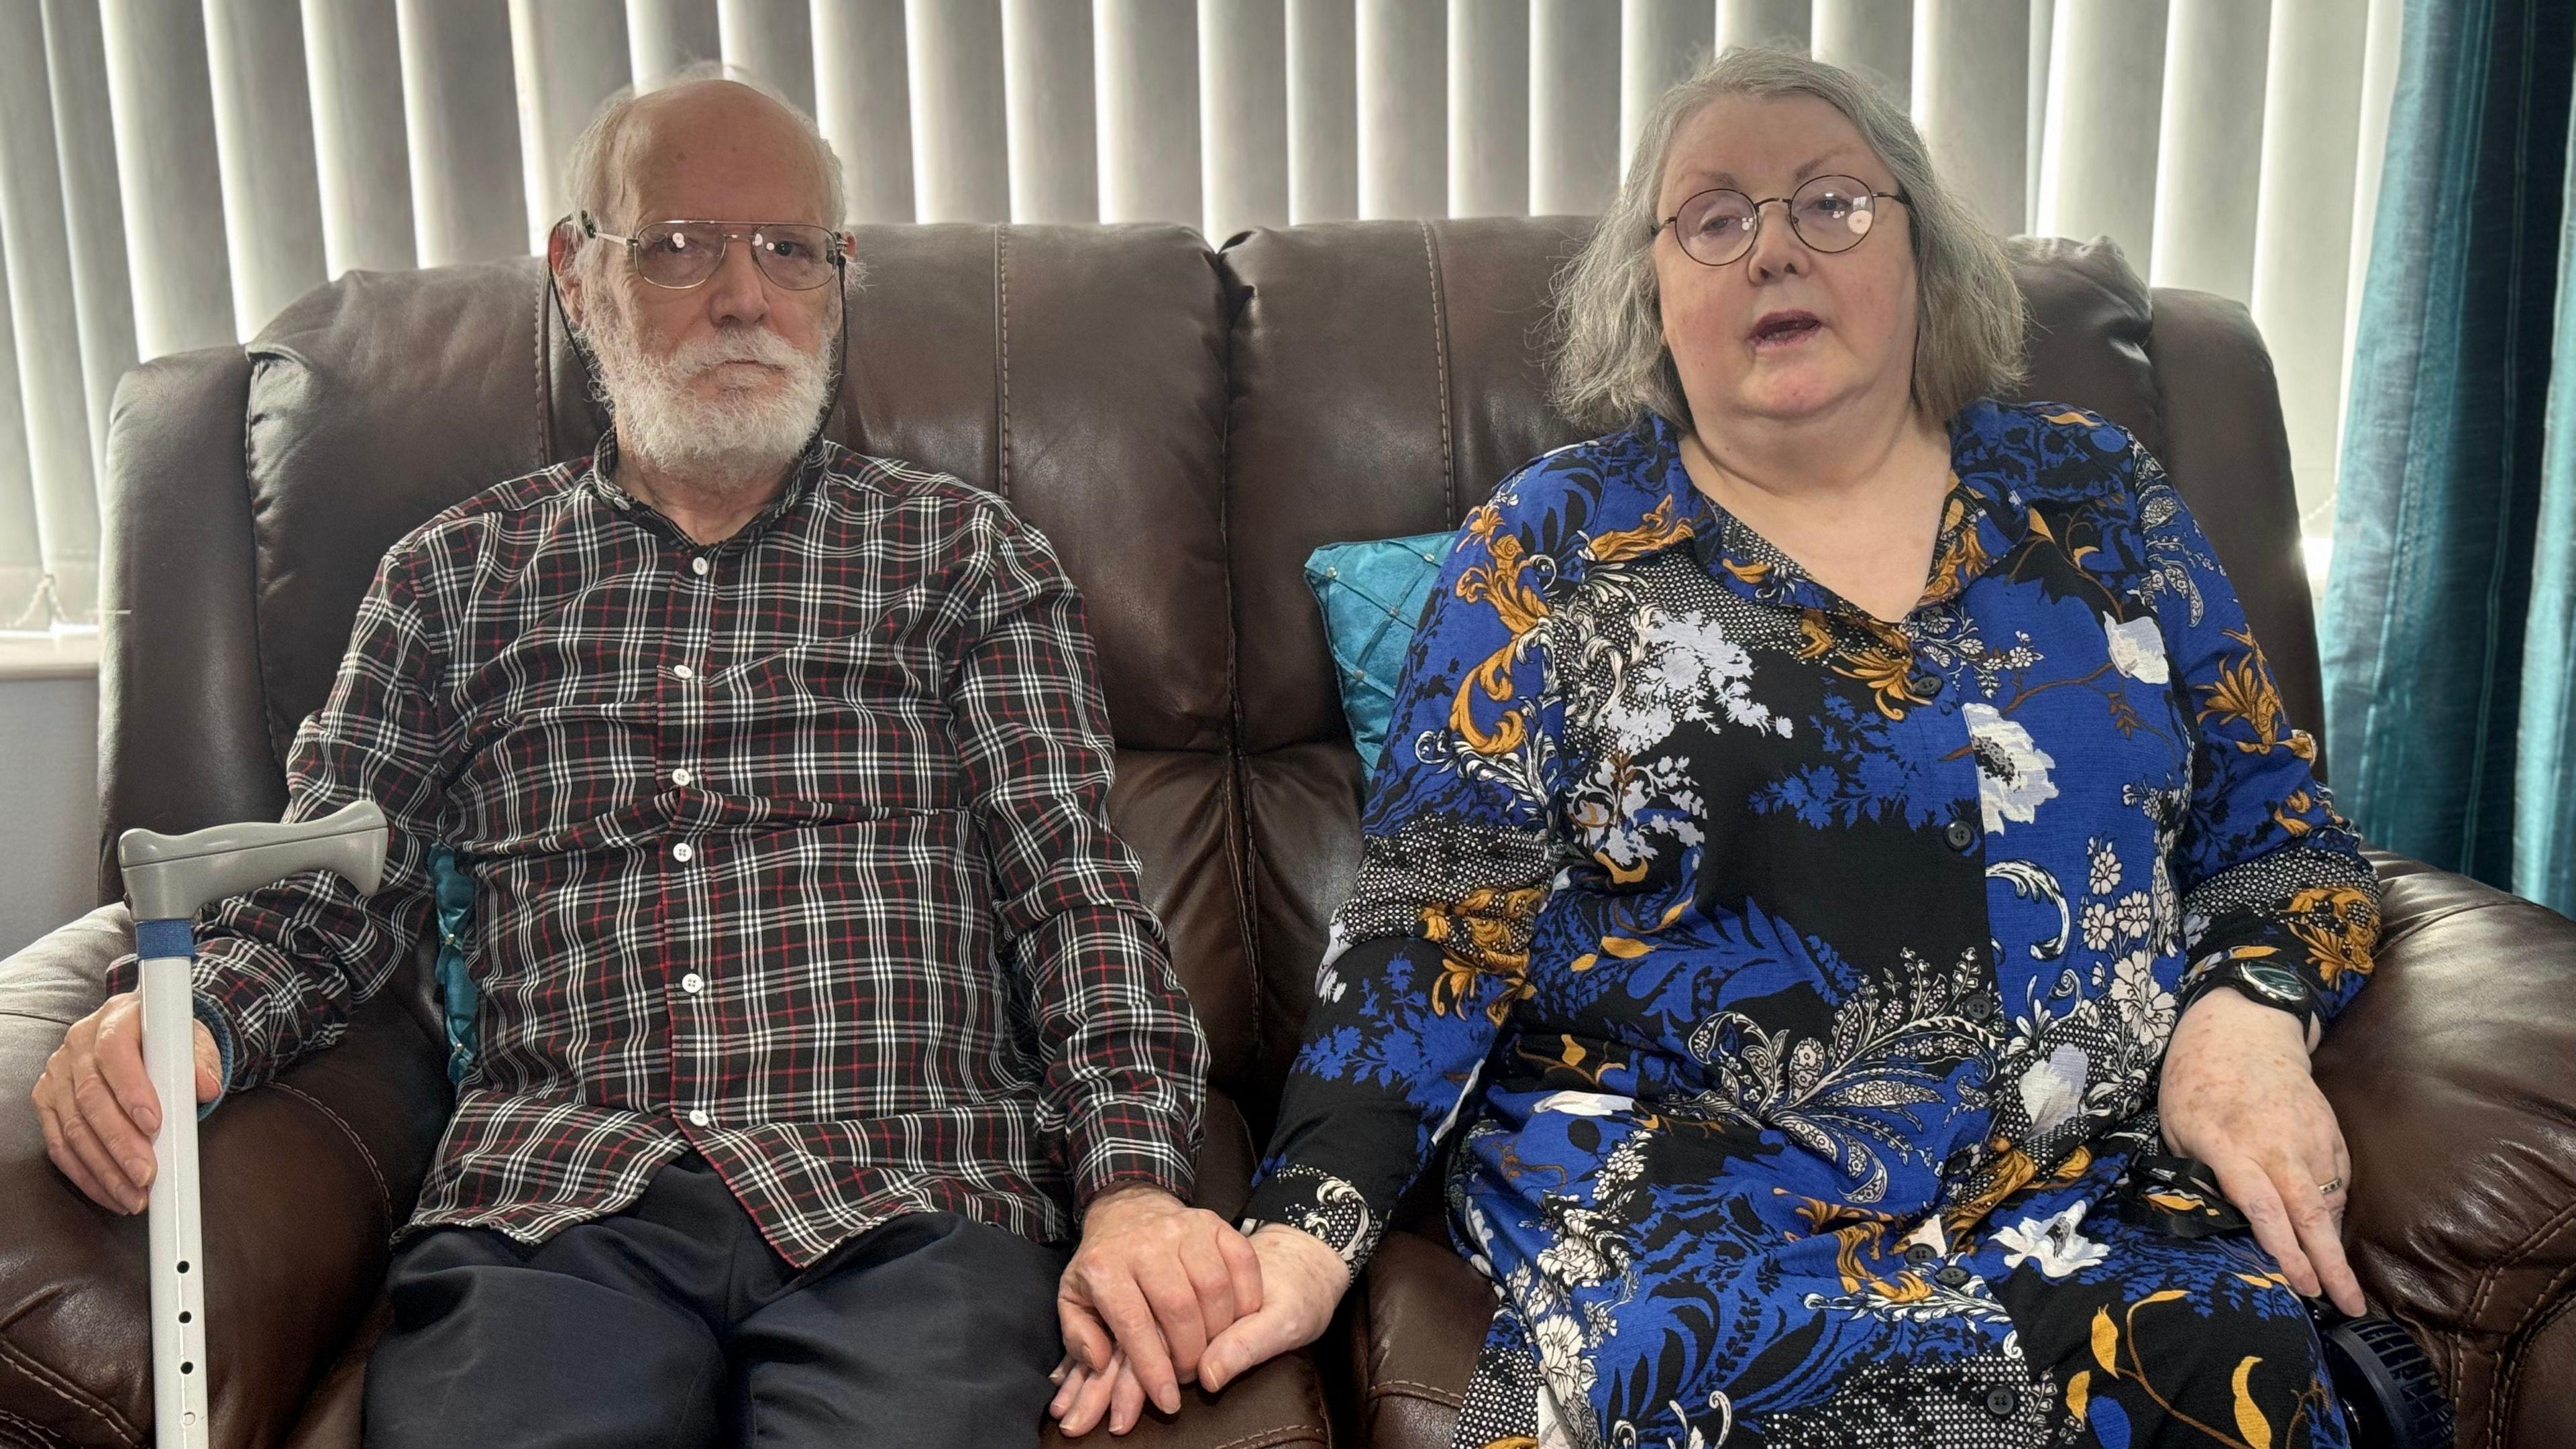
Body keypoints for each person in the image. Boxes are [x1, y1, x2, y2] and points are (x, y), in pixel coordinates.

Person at [1108, 47, 2383, 1449]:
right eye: (1714, 217)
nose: (1773, 247)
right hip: (1690, 1186)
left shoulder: (2097, 497)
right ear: (1653, 288)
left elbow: (2278, 829)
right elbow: (1427, 925)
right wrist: (1305, 1230)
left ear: (1922, 251)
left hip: (2084, 1172)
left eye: (1830, 202)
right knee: (1740, 1382)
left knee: (2242, 1368)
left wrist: (2247, 1024)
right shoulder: (1552, 543)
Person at [30, 70, 1248, 1448]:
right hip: (555, 1215)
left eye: (788, 249)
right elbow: (332, 886)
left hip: (911, 1203)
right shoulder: (451, 581)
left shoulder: (967, 562)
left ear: (838, 282)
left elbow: (1077, 901)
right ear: (574, 274)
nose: (743, 295)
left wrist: (1135, 1184)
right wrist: (186, 1020)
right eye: (677, 246)